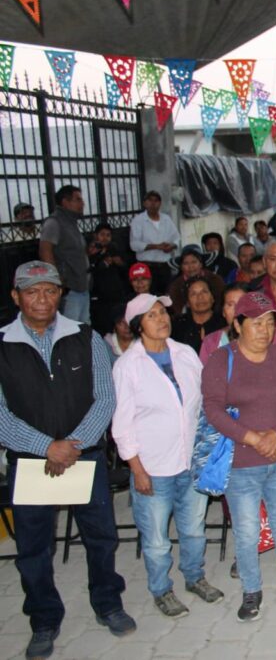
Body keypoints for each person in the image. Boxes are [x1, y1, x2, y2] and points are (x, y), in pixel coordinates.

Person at [0, 261, 135, 658]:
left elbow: (105, 398)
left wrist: (72, 445)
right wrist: (46, 446)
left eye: (49, 290)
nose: (42, 299)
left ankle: (108, 602)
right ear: (16, 297)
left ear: (60, 294)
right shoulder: (2, 345)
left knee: (101, 537)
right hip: (31, 463)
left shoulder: (86, 337)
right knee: (33, 548)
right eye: (32, 291)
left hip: (83, 457)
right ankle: (44, 619)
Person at [201, 292, 276, 620]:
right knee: (247, 530)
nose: (265, 330)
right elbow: (212, 409)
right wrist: (253, 437)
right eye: (256, 323)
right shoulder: (221, 360)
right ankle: (251, 590)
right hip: (241, 464)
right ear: (238, 325)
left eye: (270, 323)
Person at [111, 293, 224, 618]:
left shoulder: (185, 353)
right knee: (157, 539)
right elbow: (122, 424)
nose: (161, 319)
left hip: (190, 462)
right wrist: (137, 469)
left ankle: (194, 577)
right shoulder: (128, 366)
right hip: (153, 467)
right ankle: (161, 589)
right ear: (138, 325)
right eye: (152, 315)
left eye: (163, 312)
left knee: (193, 528)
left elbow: (205, 400)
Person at [38, 185, 91, 323]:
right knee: (70, 327)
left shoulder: (70, 222)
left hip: (81, 284)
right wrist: (57, 279)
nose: (82, 203)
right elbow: (45, 250)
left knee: (83, 326)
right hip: (69, 288)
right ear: (65, 202)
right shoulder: (54, 222)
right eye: (78, 200)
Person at [128, 190, 179, 294]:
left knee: (166, 296)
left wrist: (171, 246)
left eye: (156, 201)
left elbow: (176, 238)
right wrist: (156, 246)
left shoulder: (166, 219)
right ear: (144, 203)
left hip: (164, 266)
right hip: (146, 267)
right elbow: (134, 245)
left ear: (160, 203)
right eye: (150, 200)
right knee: (148, 296)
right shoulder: (138, 220)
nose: (153, 203)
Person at [88, 222, 128, 335]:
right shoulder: (91, 251)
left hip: (116, 295)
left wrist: (120, 263)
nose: (105, 238)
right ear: (96, 235)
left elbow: (125, 270)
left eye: (108, 235)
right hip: (99, 297)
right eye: (102, 234)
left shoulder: (115, 250)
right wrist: (103, 263)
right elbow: (89, 271)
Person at [171, 277, 226, 354]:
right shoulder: (177, 326)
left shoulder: (224, 322)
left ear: (212, 298)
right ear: (187, 302)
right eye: (193, 294)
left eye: (204, 292)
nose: (200, 297)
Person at [167, 245, 225, 315]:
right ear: (181, 267)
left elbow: (221, 303)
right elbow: (176, 310)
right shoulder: (175, 286)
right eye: (186, 263)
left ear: (201, 264)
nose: (190, 267)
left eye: (194, 262)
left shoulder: (215, 280)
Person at [199, 283, 248, 364]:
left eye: (242, 304)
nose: (237, 310)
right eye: (230, 305)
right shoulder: (210, 342)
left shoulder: (266, 334)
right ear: (223, 312)